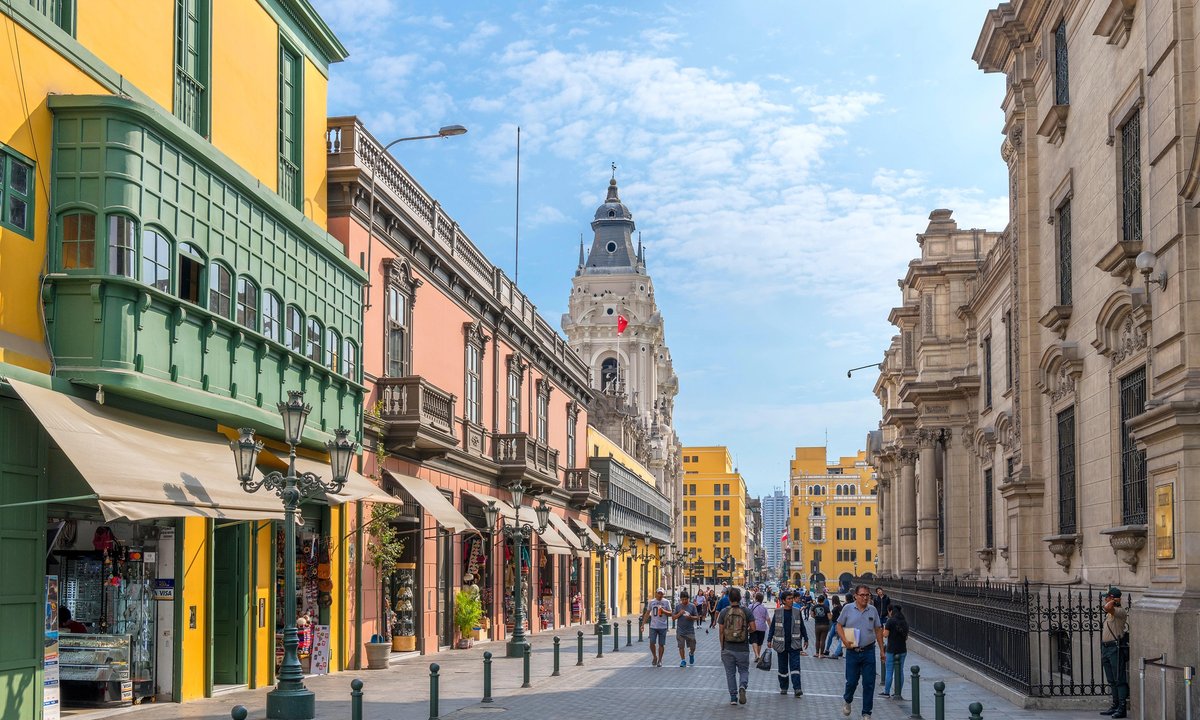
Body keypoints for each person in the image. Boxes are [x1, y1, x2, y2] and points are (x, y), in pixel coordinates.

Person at [837, 584, 885, 720]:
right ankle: (848, 700)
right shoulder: (847, 609)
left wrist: (882, 650)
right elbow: (839, 625)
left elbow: (878, 630)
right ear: (856, 596)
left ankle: (866, 713)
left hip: (869, 651)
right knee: (851, 681)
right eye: (862, 595)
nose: (865, 598)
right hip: (852, 652)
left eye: (867, 595)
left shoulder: (873, 610)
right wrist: (845, 641)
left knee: (869, 683)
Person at [766, 589, 809, 697]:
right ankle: (783, 687)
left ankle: (797, 688)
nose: (791, 601)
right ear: (783, 601)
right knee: (782, 668)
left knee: (795, 667)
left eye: (792, 598)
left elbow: (802, 627)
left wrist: (806, 639)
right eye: (789, 599)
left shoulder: (797, 612)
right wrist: (769, 639)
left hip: (794, 644)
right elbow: (772, 627)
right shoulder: (778, 612)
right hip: (781, 645)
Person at [718, 587, 755, 706]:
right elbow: (753, 628)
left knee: (730, 673)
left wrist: (722, 646)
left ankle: (733, 697)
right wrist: (745, 632)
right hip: (742, 648)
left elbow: (721, 631)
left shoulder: (724, 612)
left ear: (729, 598)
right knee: (744, 670)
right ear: (740, 598)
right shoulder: (746, 611)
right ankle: (743, 686)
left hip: (728, 647)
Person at [1100, 586, 1129, 718]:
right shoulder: (1111, 612)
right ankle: (1115, 705)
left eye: (1107, 597)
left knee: (1119, 679)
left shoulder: (1119, 611)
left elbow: (1107, 607)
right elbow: (1107, 608)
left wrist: (1114, 600)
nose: (1104, 599)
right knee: (1111, 679)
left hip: (1114, 648)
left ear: (1112, 598)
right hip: (1106, 648)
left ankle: (1122, 708)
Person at [881, 605, 908, 699]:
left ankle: (886, 692)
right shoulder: (904, 621)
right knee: (900, 671)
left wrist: (884, 628)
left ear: (891, 611)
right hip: (902, 649)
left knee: (889, 671)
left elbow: (885, 635)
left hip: (892, 649)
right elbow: (906, 637)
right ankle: (898, 692)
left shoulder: (890, 621)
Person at [643, 587, 672, 667]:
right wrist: (643, 624)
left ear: (663, 594)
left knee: (661, 644)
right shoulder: (651, 602)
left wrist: (664, 611)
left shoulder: (666, 602)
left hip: (663, 626)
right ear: (656, 593)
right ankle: (655, 657)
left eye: (662, 594)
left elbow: (670, 613)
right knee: (652, 643)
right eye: (659, 593)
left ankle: (660, 660)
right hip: (653, 626)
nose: (660, 595)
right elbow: (647, 613)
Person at [672, 590, 700, 667]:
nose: (684, 601)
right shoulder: (678, 607)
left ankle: (691, 653)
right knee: (681, 646)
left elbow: (697, 617)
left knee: (693, 646)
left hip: (690, 630)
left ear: (688, 598)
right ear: (680, 599)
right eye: (682, 599)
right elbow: (673, 618)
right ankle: (683, 660)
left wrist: (690, 617)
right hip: (680, 630)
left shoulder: (692, 606)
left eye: (685, 599)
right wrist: (679, 613)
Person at [873, 587, 892, 687]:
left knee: (885, 626)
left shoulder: (886, 598)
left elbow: (888, 606)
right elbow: (875, 606)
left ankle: (884, 636)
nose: (880, 592)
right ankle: (881, 639)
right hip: (879, 614)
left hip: (884, 614)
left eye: (880, 590)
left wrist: (888, 613)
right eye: (878, 591)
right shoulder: (876, 599)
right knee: (880, 627)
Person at [747, 591, 770, 663]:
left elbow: (747, 616)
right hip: (762, 627)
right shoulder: (764, 608)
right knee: (760, 642)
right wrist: (771, 629)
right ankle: (757, 655)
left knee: (754, 641)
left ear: (756, 598)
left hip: (753, 626)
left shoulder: (751, 606)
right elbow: (768, 619)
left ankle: (757, 655)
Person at [811, 593, 831, 657]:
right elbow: (829, 617)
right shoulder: (826, 607)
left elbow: (812, 615)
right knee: (823, 640)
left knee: (817, 639)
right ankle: (821, 654)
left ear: (818, 600)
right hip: (825, 625)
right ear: (823, 600)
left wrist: (817, 617)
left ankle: (817, 653)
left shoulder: (814, 607)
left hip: (817, 625)